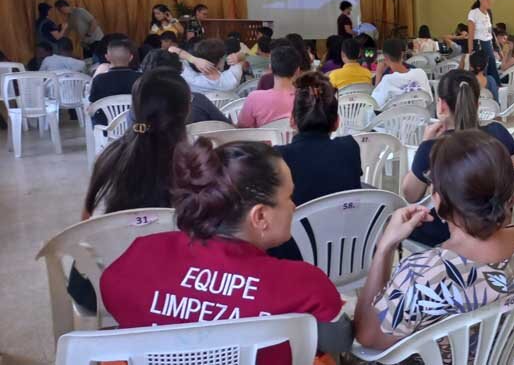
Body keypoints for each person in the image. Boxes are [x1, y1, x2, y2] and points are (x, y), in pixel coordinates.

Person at [101, 139, 352, 362]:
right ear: (260, 216)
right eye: (289, 196)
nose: (294, 205)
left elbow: (113, 301)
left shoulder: (141, 256)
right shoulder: (303, 284)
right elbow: (341, 340)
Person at [355, 129, 514, 355]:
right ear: (511, 198)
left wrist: (385, 247)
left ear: (439, 203)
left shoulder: (422, 276)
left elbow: (367, 336)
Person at [70, 69, 192, 313]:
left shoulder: (107, 157)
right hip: (167, 293)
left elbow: (86, 222)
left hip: (95, 284)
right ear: (185, 112)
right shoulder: (193, 164)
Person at [402, 71, 514, 247]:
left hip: (448, 231)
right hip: (497, 223)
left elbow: (410, 194)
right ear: (477, 104)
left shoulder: (433, 147)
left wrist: (424, 144)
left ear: (441, 105)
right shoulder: (499, 132)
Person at [268, 72, 363, 262]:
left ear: (292, 121)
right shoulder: (350, 148)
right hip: (346, 256)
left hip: (294, 259)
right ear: (337, 122)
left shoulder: (278, 158)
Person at [138, 49, 231, 124]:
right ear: (179, 72)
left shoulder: (138, 107)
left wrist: (193, 59)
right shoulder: (198, 101)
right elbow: (228, 127)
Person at [238, 47, 301, 128]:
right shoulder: (307, 98)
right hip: (297, 140)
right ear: (297, 71)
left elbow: (242, 129)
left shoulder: (254, 98)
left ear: (270, 68)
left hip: (262, 140)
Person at [88, 39, 139, 125]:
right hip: (134, 126)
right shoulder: (141, 78)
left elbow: (93, 103)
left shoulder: (99, 80)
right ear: (131, 58)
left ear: (107, 57)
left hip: (107, 126)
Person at [371, 38, 431, 106]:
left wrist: (379, 73)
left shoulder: (387, 80)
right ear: (402, 54)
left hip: (394, 116)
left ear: (385, 57)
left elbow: (374, 104)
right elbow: (430, 100)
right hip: (421, 114)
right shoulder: (421, 73)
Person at [174, 39, 246, 92]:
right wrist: (237, 56)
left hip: (198, 112)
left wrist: (193, 59)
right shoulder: (232, 79)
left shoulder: (189, 76)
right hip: (225, 112)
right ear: (220, 60)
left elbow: (171, 50)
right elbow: (244, 56)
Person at [466, 0, 501, 83]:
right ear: (481, 0)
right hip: (479, 44)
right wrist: (470, 51)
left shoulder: (488, 13)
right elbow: (471, 34)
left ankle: (494, 87)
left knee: (492, 66)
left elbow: (490, 32)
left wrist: (496, 48)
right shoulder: (474, 13)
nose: (490, 1)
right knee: (481, 68)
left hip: (488, 44)